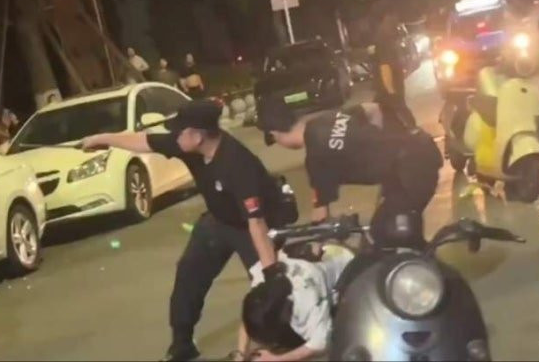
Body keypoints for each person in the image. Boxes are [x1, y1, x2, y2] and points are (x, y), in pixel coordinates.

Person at [80, 99, 286, 361]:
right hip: (219, 220)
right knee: (189, 272)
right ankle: (182, 343)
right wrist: (101, 139)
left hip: (254, 225)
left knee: (267, 288)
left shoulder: (238, 164)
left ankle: (281, 339)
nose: (175, 136)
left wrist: (271, 273)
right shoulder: (187, 145)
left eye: (180, 131)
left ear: (198, 136)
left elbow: (256, 222)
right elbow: (143, 141)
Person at [257, 96, 442, 248]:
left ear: (274, 134)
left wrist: (315, 251)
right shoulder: (327, 119)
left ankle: (434, 276)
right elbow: (373, 108)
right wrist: (386, 143)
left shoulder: (316, 159)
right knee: (382, 229)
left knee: (389, 236)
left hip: (412, 171)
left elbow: (321, 216)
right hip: (418, 150)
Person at [238, 245, 354, 361]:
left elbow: (320, 344)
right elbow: (254, 313)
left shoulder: (307, 304)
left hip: (349, 275)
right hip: (329, 254)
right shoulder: (267, 279)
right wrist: (240, 354)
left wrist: (277, 359)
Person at [369, 3, 417, 131]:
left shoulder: (383, 36)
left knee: (396, 108)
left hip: (388, 85)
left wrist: (390, 89)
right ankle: (406, 130)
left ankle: (413, 130)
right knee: (387, 109)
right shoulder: (390, 35)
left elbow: (385, 66)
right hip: (393, 82)